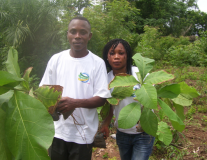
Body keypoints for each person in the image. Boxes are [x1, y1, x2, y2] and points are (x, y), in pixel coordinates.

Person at [39, 16, 111, 160]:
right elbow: (44, 91)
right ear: (68, 34)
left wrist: (75, 103)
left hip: (83, 134)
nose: (77, 36)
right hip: (57, 131)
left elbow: (101, 99)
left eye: (82, 32)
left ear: (89, 36)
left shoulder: (97, 63)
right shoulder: (56, 59)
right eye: (73, 31)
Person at [100, 39, 154, 160]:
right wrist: (106, 123)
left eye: (121, 53)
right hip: (122, 132)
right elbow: (110, 104)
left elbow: (150, 100)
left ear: (127, 55)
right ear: (107, 57)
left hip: (143, 133)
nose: (116, 57)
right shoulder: (107, 79)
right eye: (112, 53)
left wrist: (144, 122)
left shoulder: (140, 74)